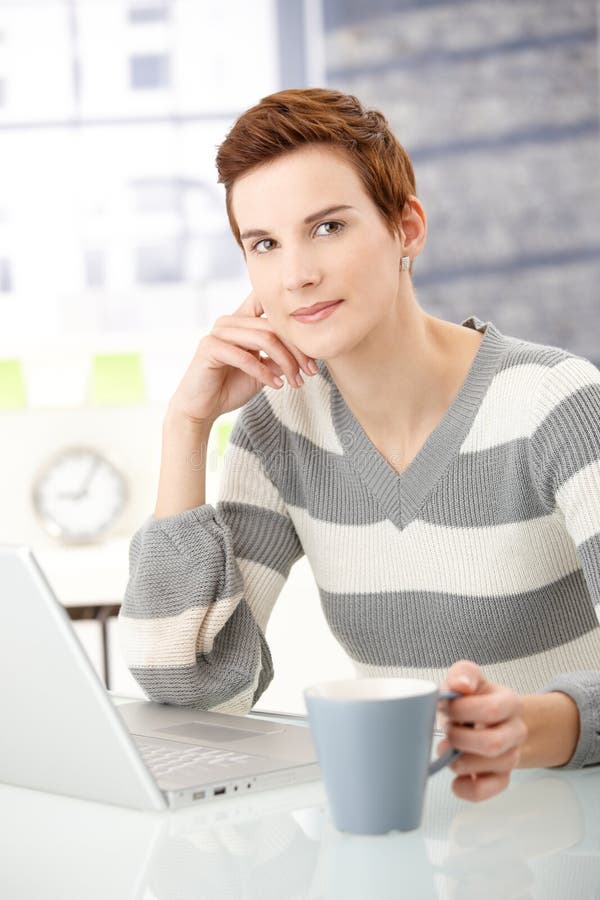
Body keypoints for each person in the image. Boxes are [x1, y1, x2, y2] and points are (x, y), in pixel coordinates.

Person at [118, 88, 600, 802]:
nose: (296, 275)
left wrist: (525, 727)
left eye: (328, 227)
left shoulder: (556, 403)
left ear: (406, 228)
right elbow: (194, 692)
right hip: (409, 833)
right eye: (265, 244)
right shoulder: (279, 430)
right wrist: (185, 429)